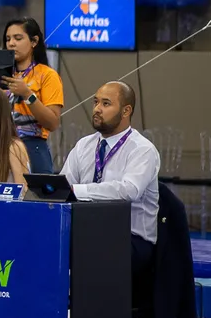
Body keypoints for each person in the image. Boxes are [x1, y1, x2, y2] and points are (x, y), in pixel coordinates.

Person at [59, 81, 159, 291]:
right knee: (44, 246)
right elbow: (63, 187)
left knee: (90, 251)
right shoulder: (84, 145)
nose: (96, 109)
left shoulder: (143, 150)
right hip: (87, 231)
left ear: (126, 111)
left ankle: (94, 317)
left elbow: (128, 190)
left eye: (106, 104)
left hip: (129, 239)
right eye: (96, 102)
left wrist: (79, 191)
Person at [0, 17, 63, 173]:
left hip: (32, 146)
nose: (11, 43)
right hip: (0, 145)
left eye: (18, 38)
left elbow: (53, 123)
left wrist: (27, 94)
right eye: (8, 39)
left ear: (34, 41)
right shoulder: (1, 76)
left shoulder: (47, 75)